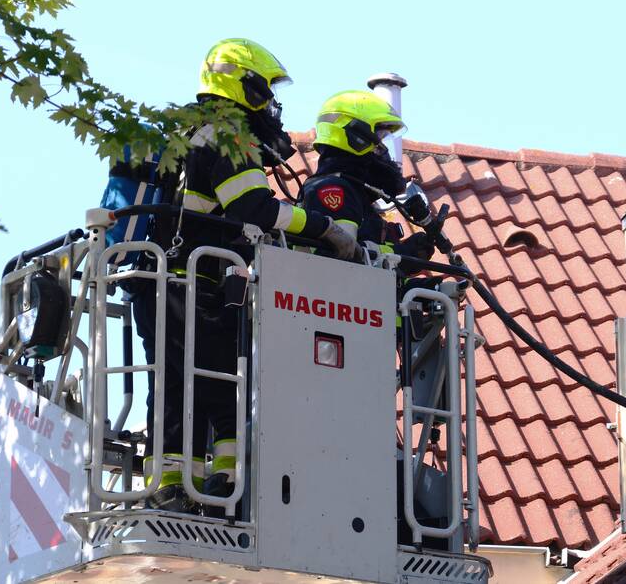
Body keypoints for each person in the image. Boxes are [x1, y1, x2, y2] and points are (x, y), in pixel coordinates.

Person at [146, 39, 359, 513]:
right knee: (218, 385)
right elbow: (256, 208)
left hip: (158, 275)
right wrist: (325, 229)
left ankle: (178, 487)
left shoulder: (181, 130)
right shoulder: (228, 135)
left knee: (177, 383)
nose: (271, 104)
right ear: (243, 85)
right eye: (265, 91)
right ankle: (217, 490)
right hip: (193, 282)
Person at [299, 90, 434, 259]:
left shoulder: (355, 193)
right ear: (357, 137)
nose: (383, 151)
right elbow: (344, 259)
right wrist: (403, 255)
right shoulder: (333, 189)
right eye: (379, 139)